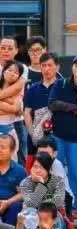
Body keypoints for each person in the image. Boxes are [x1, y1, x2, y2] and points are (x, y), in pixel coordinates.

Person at [48, 55, 77, 212]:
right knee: (56, 172)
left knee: (75, 174)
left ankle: (75, 207)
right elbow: (52, 104)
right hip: (58, 136)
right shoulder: (60, 84)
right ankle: (56, 205)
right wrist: (75, 108)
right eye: (76, 66)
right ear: (72, 68)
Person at [24, 52, 59, 174]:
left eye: (50, 65)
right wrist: (32, 133)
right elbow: (27, 112)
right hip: (36, 136)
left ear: (57, 67)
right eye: (43, 65)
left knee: (54, 170)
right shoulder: (33, 88)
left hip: (57, 136)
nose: (46, 69)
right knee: (32, 171)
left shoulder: (62, 86)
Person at [0, 37, 29, 167]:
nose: (6, 51)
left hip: (16, 121)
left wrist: (13, 107)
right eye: (3, 48)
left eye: (10, 48)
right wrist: (11, 106)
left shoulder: (22, 68)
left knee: (20, 155)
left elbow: (17, 88)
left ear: (16, 50)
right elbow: (13, 105)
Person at [0, 60, 25, 158]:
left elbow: (16, 110)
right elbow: (14, 108)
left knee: (11, 160)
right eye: (10, 70)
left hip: (10, 131)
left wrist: (13, 107)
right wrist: (11, 103)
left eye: (16, 72)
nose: (12, 74)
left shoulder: (18, 91)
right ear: (4, 71)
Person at [0, 133, 27, 225]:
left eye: (3, 147)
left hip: (9, 208)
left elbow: (24, 193)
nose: (0, 150)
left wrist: (7, 202)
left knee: (17, 206)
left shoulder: (19, 170)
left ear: (12, 151)